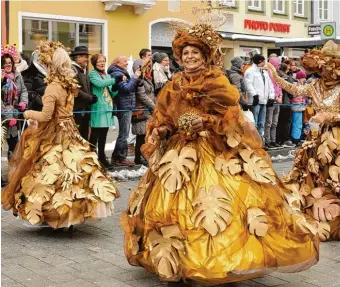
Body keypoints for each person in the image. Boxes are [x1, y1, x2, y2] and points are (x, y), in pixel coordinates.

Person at [120, 23, 319, 285]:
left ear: (205, 56)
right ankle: (178, 259)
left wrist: (205, 122)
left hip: (214, 150)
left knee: (221, 201)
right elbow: (164, 114)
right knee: (171, 206)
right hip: (179, 152)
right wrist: (163, 129)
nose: (190, 57)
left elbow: (231, 117)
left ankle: (224, 259)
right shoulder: (175, 83)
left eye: (195, 53)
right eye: (186, 53)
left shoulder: (217, 82)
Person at [1, 41, 119, 229]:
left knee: (49, 171)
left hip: (54, 133)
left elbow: (46, 116)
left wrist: (27, 114)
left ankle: (53, 213)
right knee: (73, 170)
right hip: (70, 131)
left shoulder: (53, 87)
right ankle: (70, 212)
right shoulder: (68, 84)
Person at [267, 40, 340, 241]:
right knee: (312, 171)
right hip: (316, 136)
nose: (324, 70)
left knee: (338, 174)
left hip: (338, 138)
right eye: (322, 66)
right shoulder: (314, 85)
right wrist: (274, 75)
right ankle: (315, 210)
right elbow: (295, 90)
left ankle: (339, 214)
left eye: (328, 66)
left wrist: (326, 116)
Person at [108, 55, 141, 166]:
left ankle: (119, 157)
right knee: (124, 134)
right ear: (117, 63)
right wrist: (135, 78)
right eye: (124, 61)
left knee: (124, 133)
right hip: (124, 106)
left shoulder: (120, 73)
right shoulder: (117, 74)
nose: (127, 63)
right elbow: (126, 89)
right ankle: (119, 158)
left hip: (126, 105)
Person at [88, 54, 117, 170]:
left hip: (107, 108)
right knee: (95, 134)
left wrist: (116, 87)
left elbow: (112, 93)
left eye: (103, 61)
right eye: (99, 61)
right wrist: (115, 80)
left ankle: (102, 157)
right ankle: (91, 158)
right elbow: (99, 84)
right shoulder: (93, 74)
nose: (102, 63)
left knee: (104, 135)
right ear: (94, 63)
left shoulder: (107, 75)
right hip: (98, 108)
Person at [1, 48, 28, 159]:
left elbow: (24, 90)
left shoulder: (17, 75)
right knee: (2, 148)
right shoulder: (1, 78)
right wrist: (9, 116)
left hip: (16, 117)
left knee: (15, 148)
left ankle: (13, 173)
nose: (8, 65)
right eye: (5, 63)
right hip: (3, 120)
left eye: (10, 62)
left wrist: (23, 102)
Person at [244, 54, 275, 138]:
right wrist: (254, 95)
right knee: (254, 122)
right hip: (255, 101)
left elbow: (270, 85)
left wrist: (271, 97)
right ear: (258, 61)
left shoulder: (264, 72)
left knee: (261, 123)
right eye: (263, 61)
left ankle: (261, 140)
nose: (264, 63)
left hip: (264, 101)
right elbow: (248, 84)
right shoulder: (250, 71)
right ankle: (254, 140)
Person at [131, 58, 155, 165]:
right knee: (140, 136)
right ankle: (138, 157)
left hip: (148, 110)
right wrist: (154, 107)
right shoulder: (139, 80)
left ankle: (143, 156)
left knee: (145, 135)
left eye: (150, 66)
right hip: (141, 110)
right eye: (147, 66)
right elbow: (142, 95)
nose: (149, 68)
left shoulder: (147, 78)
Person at [71, 46, 96, 141]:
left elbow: (86, 88)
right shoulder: (72, 70)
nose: (87, 59)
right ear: (78, 57)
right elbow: (75, 90)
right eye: (85, 57)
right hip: (77, 109)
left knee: (85, 135)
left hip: (84, 108)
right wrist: (90, 98)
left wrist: (91, 96)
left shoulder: (84, 70)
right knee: (78, 136)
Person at [264, 55, 282, 150]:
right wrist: (275, 97)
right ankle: (267, 140)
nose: (279, 66)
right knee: (268, 122)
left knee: (275, 123)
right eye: (278, 64)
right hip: (270, 101)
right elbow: (268, 88)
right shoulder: (267, 74)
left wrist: (280, 96)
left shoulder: (276, 74)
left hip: (278, 101)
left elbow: (279, 86)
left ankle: (273, 140)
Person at [276, 63, 296, 148]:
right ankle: (285, 139)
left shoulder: (275, 76)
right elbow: (292, 91)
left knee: (278, 121)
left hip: (277, 102)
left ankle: (277, 139)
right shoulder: (288, 78)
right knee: (287, 121)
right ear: (287, 69)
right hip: (286, 102)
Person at [290, 70, 307, 146]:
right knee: (296, 123)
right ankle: (295, 138)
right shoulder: (296, 85)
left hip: (300, 106)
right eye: (303, 78)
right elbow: (295, 95)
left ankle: (298, 137)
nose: (305, 79)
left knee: (299, 123)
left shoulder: (301, 84)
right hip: (296, 106)